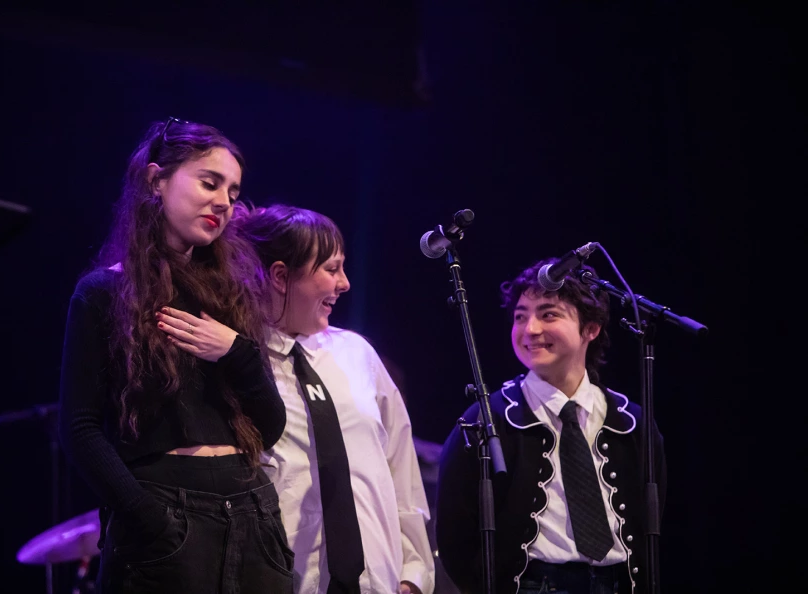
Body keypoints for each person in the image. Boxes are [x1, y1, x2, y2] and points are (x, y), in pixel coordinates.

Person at [58, 118, 293, 594]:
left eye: (232, 190)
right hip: (167, 518)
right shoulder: (104, 293)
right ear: (155, 180)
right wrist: (146, 516)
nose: (224, 201)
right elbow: (79, 428)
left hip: (252, 512)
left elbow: (268, 427)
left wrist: (237, 353)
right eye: (210, 182)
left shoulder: (232, 297)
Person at [232, 204, 435, 594]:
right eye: (331, 268)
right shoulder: (243, 364)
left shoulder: (357, 354)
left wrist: (413, 572)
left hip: (379, 582)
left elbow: (401, 469)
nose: (344, 283)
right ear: (280, 275)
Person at [435, 259, 667, 594]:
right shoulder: (486, 420)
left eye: (548, 314)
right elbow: (455, 535)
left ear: (591, 328)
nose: (530, 329)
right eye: (520, 316)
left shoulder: (630, 422)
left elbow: (653, 519)